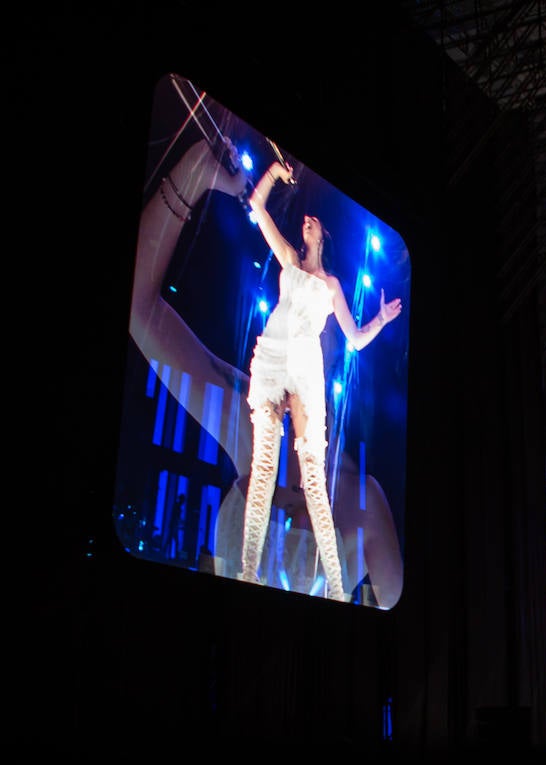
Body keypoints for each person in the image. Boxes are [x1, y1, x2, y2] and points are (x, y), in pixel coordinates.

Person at [128, 127, 406, 608]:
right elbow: (138, 311)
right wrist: (195, 173)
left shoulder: (366, 499)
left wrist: (379, 320)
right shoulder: (249, 418)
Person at [237, 158, 402, 601]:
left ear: (322, 237)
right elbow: (257, 206)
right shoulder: (288, 260)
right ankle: (248, 573)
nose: (307, 221)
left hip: (305, 369)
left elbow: (355, 339)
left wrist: (382, 320)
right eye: (306, 219)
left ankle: (334, 587)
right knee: (264, 471)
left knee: (313, 480)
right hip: (273, 357)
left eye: (314, 222)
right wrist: (274, 173)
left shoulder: (331, 285)